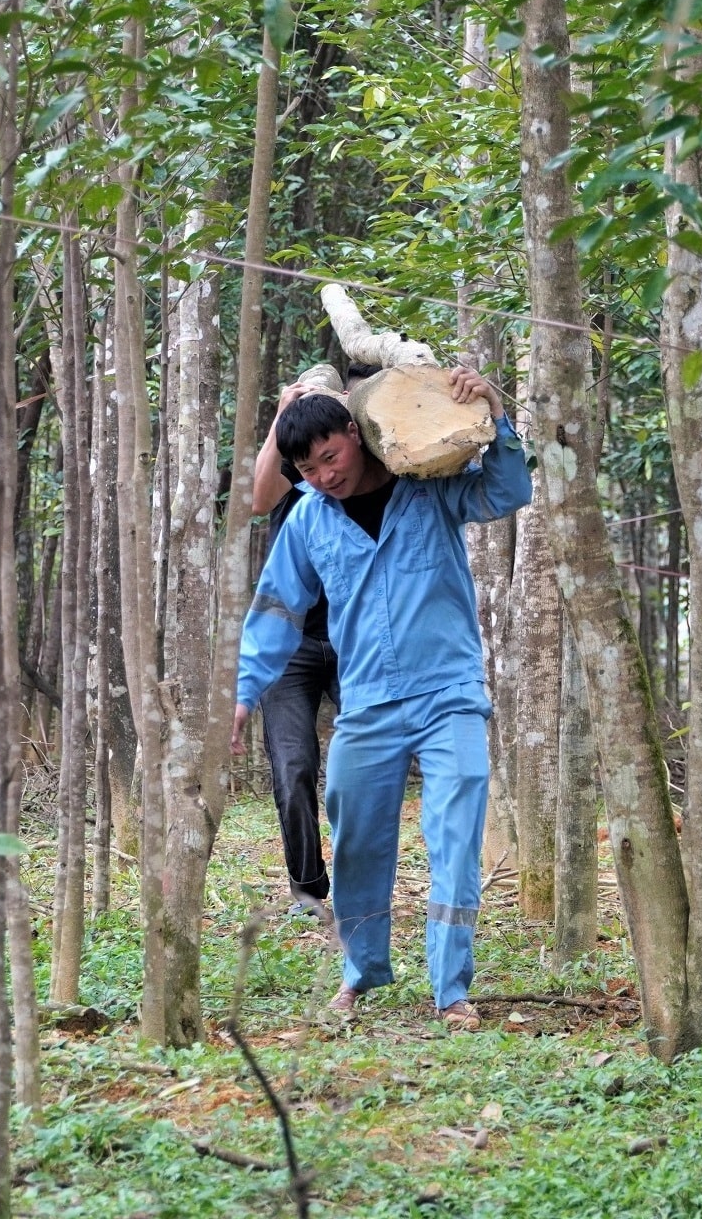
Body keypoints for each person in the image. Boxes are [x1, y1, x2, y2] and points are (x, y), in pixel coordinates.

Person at [231, 367, 530, 1028]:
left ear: (354, 432)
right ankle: (359, 972)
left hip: (449, 693)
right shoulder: (307, 521)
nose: (323, 476)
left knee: (455, 836)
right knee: (358, 842)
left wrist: (495, 413)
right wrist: (245, 694)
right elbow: (277, 610)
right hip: (367, 705)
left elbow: (508, 489)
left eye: (330, 457)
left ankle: (451, 989)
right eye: (306, 469)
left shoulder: (429, 489)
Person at [248, 370, 369, 917]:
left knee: (364, 763)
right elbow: (258, 498)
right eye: (309, 466)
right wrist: (281, 417)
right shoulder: (296, 473)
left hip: (353, 638)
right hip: (290, 646)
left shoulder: (355, 468)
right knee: (293, 765)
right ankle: (307, 887)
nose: (322, 475)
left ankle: (361, 882)